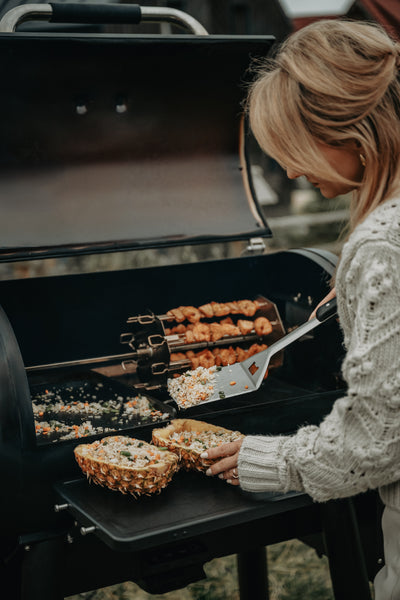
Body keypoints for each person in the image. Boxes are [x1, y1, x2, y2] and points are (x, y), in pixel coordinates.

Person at [200, 19, 400, 600]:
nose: (289, 171)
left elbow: (377, 442)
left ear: (351, 131)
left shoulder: (382, 245)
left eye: (293, 149)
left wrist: (271, 460)